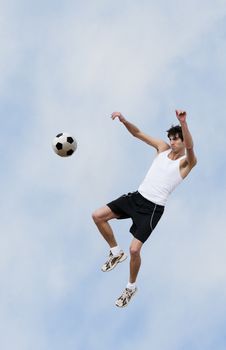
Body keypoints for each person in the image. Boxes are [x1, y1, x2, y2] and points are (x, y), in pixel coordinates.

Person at [92, 110, 197, 308]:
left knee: (134, 250)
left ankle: (130, 288)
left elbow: (191, 147)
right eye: (171, 138)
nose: (172, 141)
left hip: (152, 209)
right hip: (137, 197)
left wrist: (183, 123)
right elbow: (137, 133)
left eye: (177, 139)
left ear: (183, 141)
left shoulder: (187, 163)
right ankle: (115, 252)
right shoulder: (162, 148)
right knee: (97, 216)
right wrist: (124, 121)